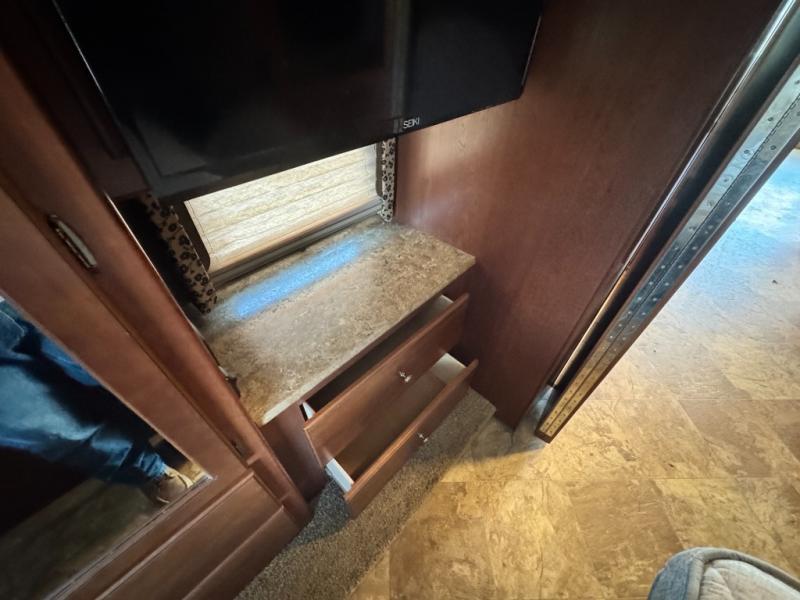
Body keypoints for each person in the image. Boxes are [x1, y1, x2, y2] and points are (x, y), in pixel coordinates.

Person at [0, 299, 191, 504]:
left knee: (121, 365)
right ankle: (151, 472)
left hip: (22, 288)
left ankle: (196, 423)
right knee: (56, 428)